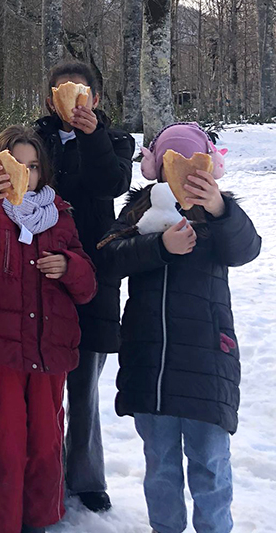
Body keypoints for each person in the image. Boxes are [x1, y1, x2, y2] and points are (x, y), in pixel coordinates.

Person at [101, 122, 261, 533]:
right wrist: (158, 247)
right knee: (160, 465)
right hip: (149, 358)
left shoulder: (219, 211)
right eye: (173, 164)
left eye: (194, 168)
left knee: (210, 465)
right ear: (156, 167)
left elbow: (247, 249)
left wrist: (220, 209)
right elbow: (108, 259)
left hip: (207, 357)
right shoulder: (140, 209)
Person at [0, 126, 97, 533]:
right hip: (1, 349)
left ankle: (40, 519)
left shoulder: (60, 215)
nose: (27, 174)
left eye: (34, 167)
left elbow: (87, 286)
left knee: (47, 445)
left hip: (50, 347)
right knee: (5, 445)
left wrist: (69, 267)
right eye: (18, 165)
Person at [34, 60, 134, 513]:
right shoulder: (38, 140)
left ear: (94, 98)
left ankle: (87, 475)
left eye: (79, 91)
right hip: (48, 267)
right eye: (59, 92)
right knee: (47, 380)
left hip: (94, 270)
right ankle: (45, 474)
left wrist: (92, 137)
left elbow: (110, 183)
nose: (70, 100)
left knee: (86, 383)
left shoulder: (115, 141)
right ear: (51, 99)